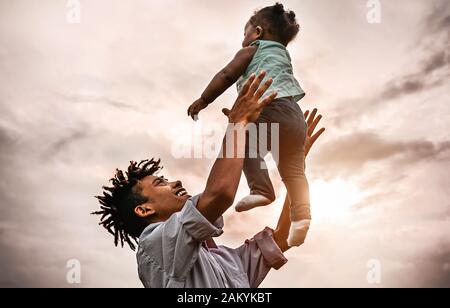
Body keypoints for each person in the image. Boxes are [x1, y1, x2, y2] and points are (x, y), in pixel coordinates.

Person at [93, 72, 325, 288]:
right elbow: (220, 194)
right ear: (144, 209)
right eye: (160, 183)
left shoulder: (224, 261)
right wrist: (238, 122)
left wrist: (294, 166)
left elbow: (283, 237)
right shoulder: (154, 246)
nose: (175, 183)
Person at [187, 3, 310, 246]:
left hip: (268, 108)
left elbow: (226, 75)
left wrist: (204, 99)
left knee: (242, 145)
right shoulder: (283, 53)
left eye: (245, 34)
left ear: (257, 32)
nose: (244, 39)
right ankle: (302, 217)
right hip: (296, 116)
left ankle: (261, 189)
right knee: (294, 171)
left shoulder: (253, 50)